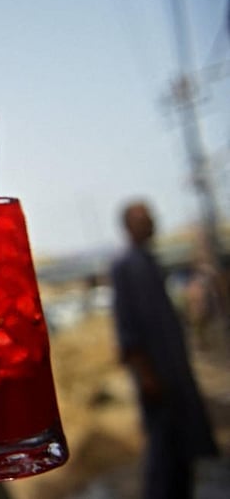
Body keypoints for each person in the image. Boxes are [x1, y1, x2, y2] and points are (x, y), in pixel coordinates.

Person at [110, 200, 219, 499]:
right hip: (156, 376)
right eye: (145, 219)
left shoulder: (149, 262)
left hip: (173, 372)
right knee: (164, 448)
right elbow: (127, 328)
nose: (152, 223)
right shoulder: (125, 266)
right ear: (130, 226)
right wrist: (146, 374)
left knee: (183, 448)